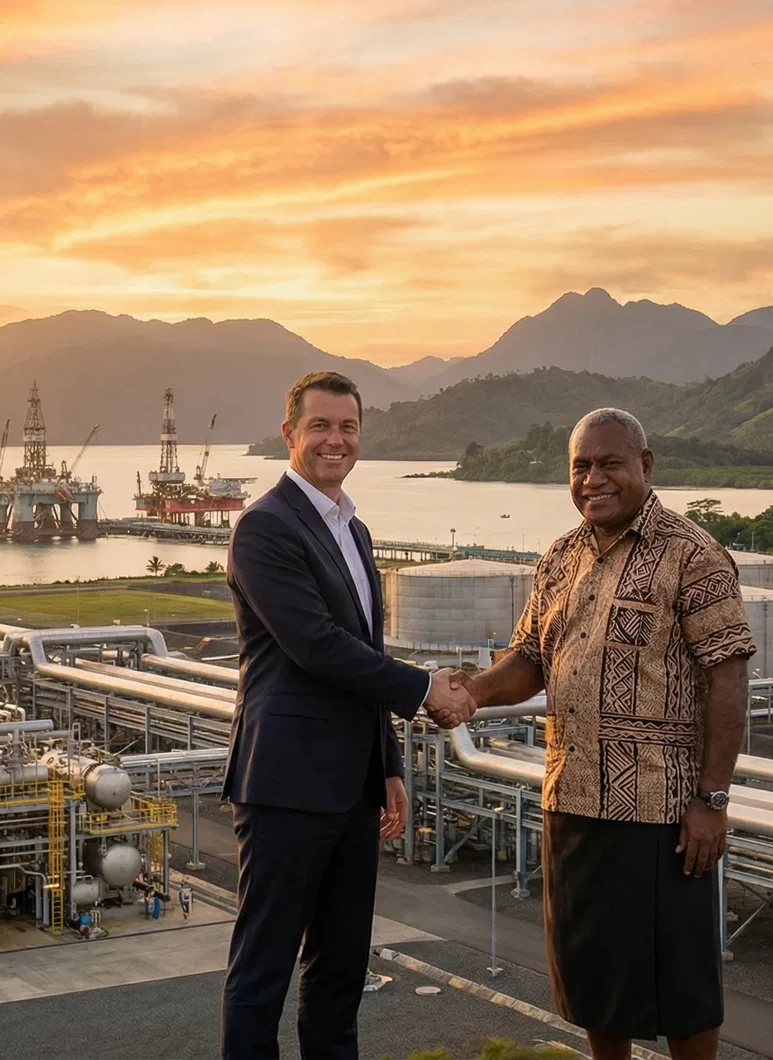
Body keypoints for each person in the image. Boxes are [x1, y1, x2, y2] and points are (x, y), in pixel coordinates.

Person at [456, 407, 751, 1060]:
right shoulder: (561, 556)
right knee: (591, 975)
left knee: (682, 983)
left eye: (610, 463)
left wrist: (713, 800)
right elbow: (530, 659)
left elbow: (729, 679)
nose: (595, 478)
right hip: (574, 798)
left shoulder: (692, 555)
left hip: (664, 812)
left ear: (645, 466)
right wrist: (472, 691)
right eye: (581, 466)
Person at [222, 371, 475, 1060]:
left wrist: (387, 764)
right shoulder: (265, 527)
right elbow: (314, 646)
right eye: (321, 426)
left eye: (348, 427)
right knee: (263, 971)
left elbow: (366, 651)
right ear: (290, 434)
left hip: (353, 787)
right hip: (284, 783)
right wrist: (426, 688)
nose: (336, 440)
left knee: (339, 972)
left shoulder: (353, 530)